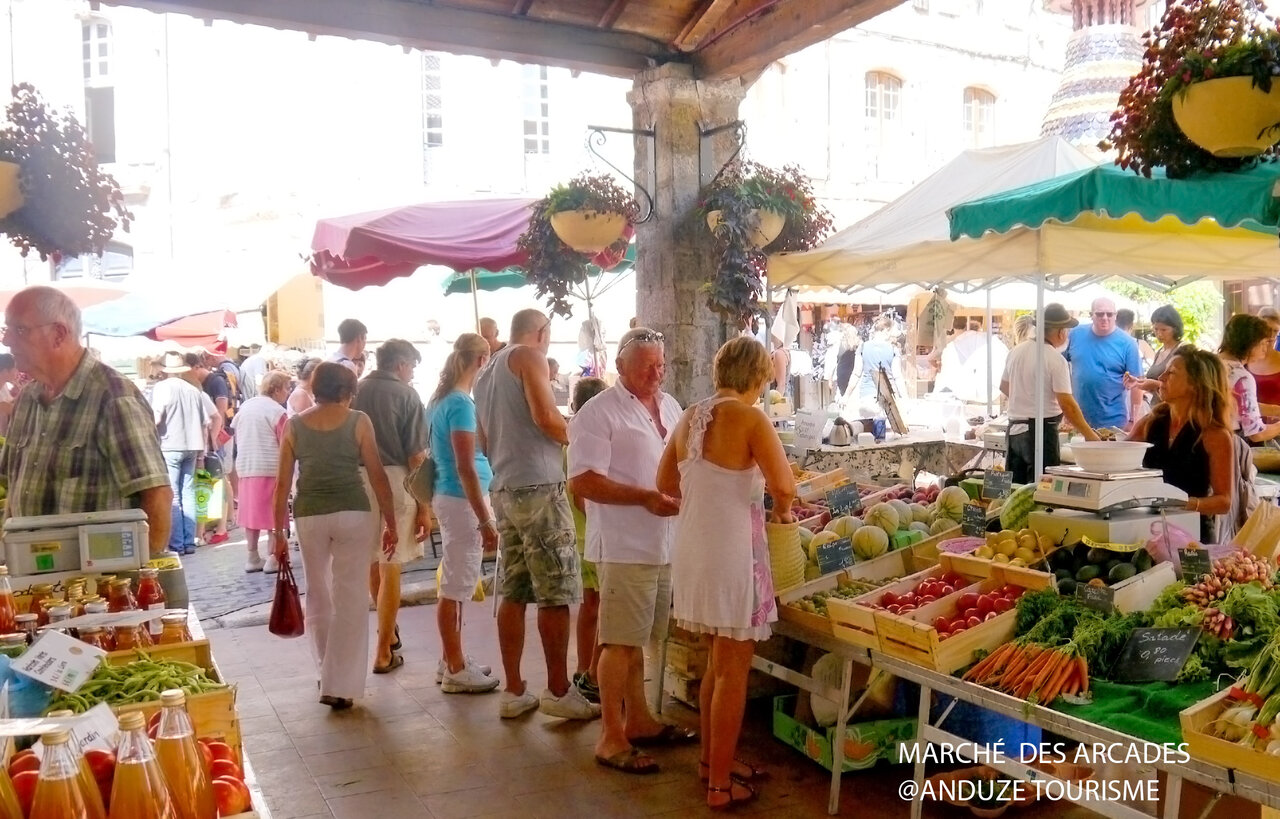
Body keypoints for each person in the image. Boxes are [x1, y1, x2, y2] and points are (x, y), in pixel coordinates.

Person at [656, 337, 797, 809]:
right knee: (732, 670)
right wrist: (780, 509)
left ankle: (711, 762)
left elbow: (664, 483)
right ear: (757, 377)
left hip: (694, 548)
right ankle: (719, 784)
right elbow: (784, 485)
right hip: (733, 551)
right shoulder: (752, 417)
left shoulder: (689, 415)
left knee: (717, 662)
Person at [568, 327, 690, 776]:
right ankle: (609, 736)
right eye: (646, 366)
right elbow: (582, 481)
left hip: (663, 542)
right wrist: (643, 497)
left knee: (640, 638)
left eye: (660, 364)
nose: (655, 373)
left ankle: (638, 720)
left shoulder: (671, 405)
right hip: (624, 544)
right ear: (620, 367)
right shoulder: (598, 413)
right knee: (618, 641)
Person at [474, 308, 596, 721]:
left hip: (504, 486)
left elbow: (484, 439)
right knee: (556, 591)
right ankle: (559, 691)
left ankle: (514, 689)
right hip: (540, 486)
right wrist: (582, 438)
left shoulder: (485, 372)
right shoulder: (529, 357)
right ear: (541, 332)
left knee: (513, 589)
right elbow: (547, 417)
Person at [0, 286, 172, 554]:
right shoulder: (26, 399)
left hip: (96, 586)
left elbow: (156, 494)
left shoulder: (113, 396)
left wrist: (142, 578)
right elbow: (11, 487)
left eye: (19, 330)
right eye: (6, 329)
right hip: (34, 582)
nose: (6, 340)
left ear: (58, 334)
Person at [272, 362, 398, 710]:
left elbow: (282, 484)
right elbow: (377, 475)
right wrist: (390, 520)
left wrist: (278, 532)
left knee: (319, 594)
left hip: (310, 514)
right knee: (352, 597)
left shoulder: (295, 425)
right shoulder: (359, 421)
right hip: (354, 513)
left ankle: (325, 673)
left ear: (315, 388)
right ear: (347, 392)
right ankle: (341, 684)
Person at [427, 333, 500, 694]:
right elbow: (466, 465)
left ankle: (451, 657)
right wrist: (485, 518)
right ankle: (455, 667)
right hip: (461, 500)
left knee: (456, 581)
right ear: (481, 361)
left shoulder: (442, 400)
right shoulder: (460, 404)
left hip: (451, 497)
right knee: (457, 585)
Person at [352, 339, 430, 675]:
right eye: (412, 365)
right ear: (400, 364)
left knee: (373, 560)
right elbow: (416, 455)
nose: (412, 372)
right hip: (395, 479)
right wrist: (425, 505)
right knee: (392, 563)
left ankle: (389, 631)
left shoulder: (355, 389)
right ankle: (383, 649)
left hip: (356, 480)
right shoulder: (407, 395)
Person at [1130, 348, 1235, 543]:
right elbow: (1119, 456)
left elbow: (1224, 502)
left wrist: (1181, 503)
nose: (1161, 377)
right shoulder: (1152, 421)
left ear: (1195, 385)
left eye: (1171, 373)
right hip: (1149, 530)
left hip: (1194, 535)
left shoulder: (1214, 435)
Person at [1000, 304, 1100, 483]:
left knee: (1016, 491)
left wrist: (1026, 399)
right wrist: (1089, 434)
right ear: (1061, 332)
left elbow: (1004, 386)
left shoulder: (1015, 352)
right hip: (1040, 433)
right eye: (1067, 331)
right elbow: (1067, 404)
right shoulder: (1055, 359)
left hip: (1015, 431)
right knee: (1042, 490)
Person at [568, 377, 608, 704]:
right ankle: (592, 671)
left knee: (589, 607)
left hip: (579, 539)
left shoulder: (569, 443)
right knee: (601, 607)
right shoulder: (588, 444)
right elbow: (583, 496)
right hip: (591, 538)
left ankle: (584, 667)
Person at [151, 352, 215, 556]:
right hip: (193, 445)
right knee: (188, 493)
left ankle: (177, 544)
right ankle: (189, 542)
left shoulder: (161, 388)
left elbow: (156, 417)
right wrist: (201, 452)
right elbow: (206, 422)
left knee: (175, 496)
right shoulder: (193, 389)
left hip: (170, 444)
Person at [232, 370, 291, 572]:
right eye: (286, 387)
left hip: (247, 466)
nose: (288, 392)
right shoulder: (276, 411)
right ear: (276, 389)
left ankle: (252, 556)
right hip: (270, 467)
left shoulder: (246, 407)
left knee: (252, 514)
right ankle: (273, 558)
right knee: (274, 515)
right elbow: (286, 442)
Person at [1066, 297, 1143, 432]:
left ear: (1116, 316)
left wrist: (1133, 420)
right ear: (1091, 315)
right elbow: (1060, 367)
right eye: (1099, 314)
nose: (1105, 318)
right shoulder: (1075, 334)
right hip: (1078, 419)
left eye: (1109, 314)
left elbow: (1138, 384)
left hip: (1114, 421)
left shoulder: (1128, 344)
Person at [1218, 314, 1280, 444]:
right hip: (1225, 443)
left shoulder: (1211, 362)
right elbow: (1256, 433)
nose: (1265, 348)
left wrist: (1276, 410)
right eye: (1263, 343)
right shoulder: (1242, 377)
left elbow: (1240, 405)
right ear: (1249, 343)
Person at [1124, 305, 1187, 407]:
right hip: (1157, 408)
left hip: (1174, 409)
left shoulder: (1183, 350)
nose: (1159, 334)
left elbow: (1184, 386)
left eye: (1164, 330)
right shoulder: (1159, 351)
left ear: (1175, 329)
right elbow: (1152, 380)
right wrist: (1138, 382)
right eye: (1156, 329)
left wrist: (1155, 384)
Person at [1249, 307, 1280, 416]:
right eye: (1267, 329)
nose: (1271, 335)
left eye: (1275, 331)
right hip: (1247, 425)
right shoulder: (1245, 360)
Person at [0, 353, 17, 435]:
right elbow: (11, 409)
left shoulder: (4, 386)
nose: (17, 372)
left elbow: (10, 403)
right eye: (15, 369)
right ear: (5, 371)